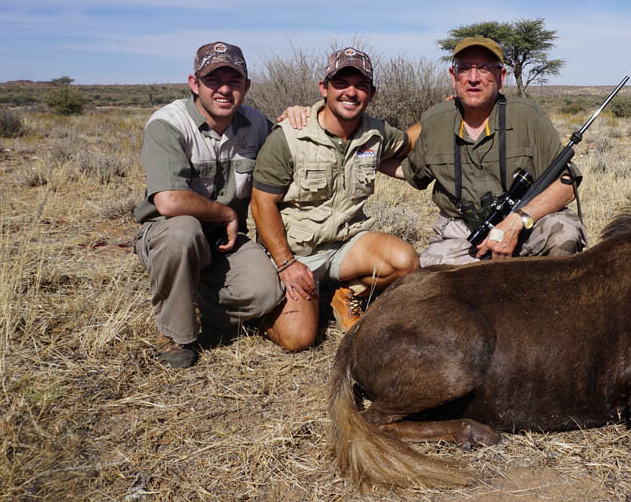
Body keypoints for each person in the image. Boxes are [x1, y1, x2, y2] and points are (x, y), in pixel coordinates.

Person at [133, 41, 316, 368]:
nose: (224, 90)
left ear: (246, 86)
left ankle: (197, 295)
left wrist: (299, 116)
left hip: (224, 242)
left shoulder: (257, 125)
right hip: (169, 234)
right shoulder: (168, 124)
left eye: (234, 81)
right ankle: (176, 335)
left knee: (266, 292)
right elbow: (168, 200)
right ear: (194, 84)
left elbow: (290, 155)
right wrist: (226, 212)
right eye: (213, 80)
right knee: (183, 233)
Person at [250, 47, 419, 331]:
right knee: (298, 338)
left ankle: (347, 293)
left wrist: (452, 109)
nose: (350, 92)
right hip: (297, 251)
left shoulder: (375, 133)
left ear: (372, 93)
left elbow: (410, 140)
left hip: (345, 245)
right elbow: (261, 204)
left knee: (406, 263)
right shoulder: (290, 136)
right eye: (341, 83)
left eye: (361, 85)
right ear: (324, 88)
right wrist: (286, 264)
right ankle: (283, 297)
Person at [399, 35, 587, 265]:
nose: (473, 78)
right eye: (465, 69)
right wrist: (362, 154)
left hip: (526, 224)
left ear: (501, 77)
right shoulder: (435, 120)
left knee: (564, 232)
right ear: (453, 76)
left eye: (484, 69)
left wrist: (517, 221)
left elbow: (567, 184)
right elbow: (409, 171)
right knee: (430, 287)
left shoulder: (528, 116)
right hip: (462, 231)